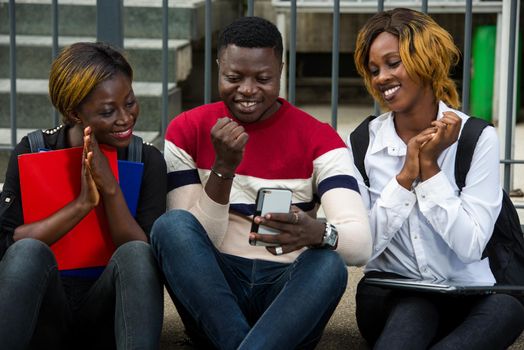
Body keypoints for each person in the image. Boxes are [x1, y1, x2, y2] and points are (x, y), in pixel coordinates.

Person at [151, 16, 372, 349]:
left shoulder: (319, 138)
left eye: (263, 78)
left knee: (328, 262)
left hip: (286, 299)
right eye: (234, 77)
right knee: (171, 226)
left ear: (281, 70)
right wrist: (223, 168)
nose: (248, 90)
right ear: (218, 67)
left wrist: (317, 231)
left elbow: (361, 245)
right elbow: (193, 241)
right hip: (215, 295)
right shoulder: (187, 129)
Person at [349, 8, 524, 349]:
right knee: (416, 306)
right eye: (373, 70)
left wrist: (429, 168)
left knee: (508, 309)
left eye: (393, 63)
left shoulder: (477, 138)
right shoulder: (364, 143)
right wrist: (405, 176)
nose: (381, 77)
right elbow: (363, 248)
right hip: (393, 296)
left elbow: (471, 246)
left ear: (426, 61)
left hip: (472, 294)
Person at [0, 42, 166, 349]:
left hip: (107, 314)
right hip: (44, 311)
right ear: (74, 112)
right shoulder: (33, 151)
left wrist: (111, 189)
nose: (124, 118)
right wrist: (83, 204)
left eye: (129, 102)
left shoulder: (147, 159)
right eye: (107, 111)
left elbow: (143, 257)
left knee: (138, 254)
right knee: (27, 252)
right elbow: (9, 243)